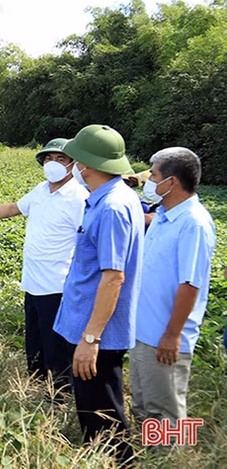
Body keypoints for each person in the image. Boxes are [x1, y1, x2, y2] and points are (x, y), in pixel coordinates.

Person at [0, 138, 88, 394]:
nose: (53, 164)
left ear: (73, 164)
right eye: (48, 159)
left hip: (57, 286)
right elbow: (14, 208)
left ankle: (58, 397)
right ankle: (33, 388)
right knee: (34, 341)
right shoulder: (41, 190)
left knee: (55, 347)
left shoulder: (79, 198)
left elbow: (88, 241)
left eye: (60, 159)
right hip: (33, 283)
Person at [52, 124, 143, 465]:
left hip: (97, 332)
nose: (71, 166)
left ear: (85, 164)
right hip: (89, 326)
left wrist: (91, 338)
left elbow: (113, 278)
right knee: (95, 411)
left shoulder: (112, 208)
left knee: (103, 417)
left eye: (73, 159)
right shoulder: (110, 198)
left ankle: (120, 462)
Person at [129, 147, 216, 435]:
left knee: (167, 412)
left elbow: (190, 284)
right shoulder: (165, 216)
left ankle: (173, 458)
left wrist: (172, 334)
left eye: (153, 174)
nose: (149, 181)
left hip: (164, 335)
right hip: (144, 330)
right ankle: (153, 455)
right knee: (143, 404)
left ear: (172, 182)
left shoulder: (194, 223)